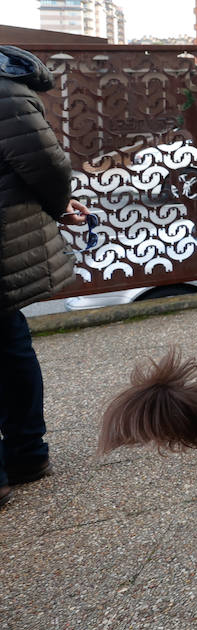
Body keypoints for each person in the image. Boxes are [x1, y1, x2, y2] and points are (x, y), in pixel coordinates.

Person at [0, 45, 90, 511]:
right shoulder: (10, 91)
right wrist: (58, 205)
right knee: (12, 346)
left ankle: (24, 456)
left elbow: (47, 165)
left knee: (12, 346)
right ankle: (26, 455)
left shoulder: (6, 92)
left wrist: (59, 205)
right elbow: (46, 163)